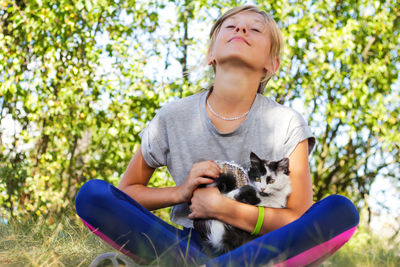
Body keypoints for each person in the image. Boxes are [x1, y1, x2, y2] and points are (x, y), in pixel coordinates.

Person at [75, 5, 359, 266]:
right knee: (93, 195)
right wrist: (180, 192)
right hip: (189, 243)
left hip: (259, 244)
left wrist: (226, 209)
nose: (241, 30)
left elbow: (296, 218)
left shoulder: (287, 123)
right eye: (231, 26)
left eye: (255, 29)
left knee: (341, 211)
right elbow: (127, 193)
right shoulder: (172, 117)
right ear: (211, 54)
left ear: (271, 65)